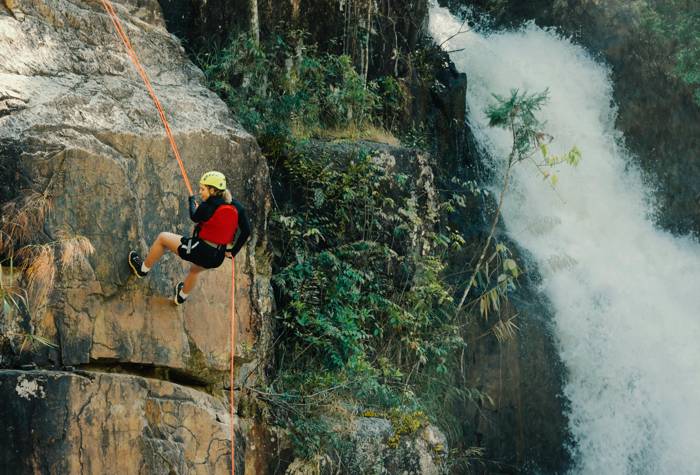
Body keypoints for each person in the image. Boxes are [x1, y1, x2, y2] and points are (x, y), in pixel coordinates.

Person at [128, 171, 251, 304]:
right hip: (217, 256)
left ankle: (142, 269)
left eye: (203, 189)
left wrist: (191, 202)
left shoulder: (206, 206)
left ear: (212, 190)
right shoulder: (236, 206)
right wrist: (233, 252)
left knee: (162, 238)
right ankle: (181, 297)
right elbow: (246, 231)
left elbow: (194, 216)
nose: (200, 192)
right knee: (195, 270)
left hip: (199, 250)